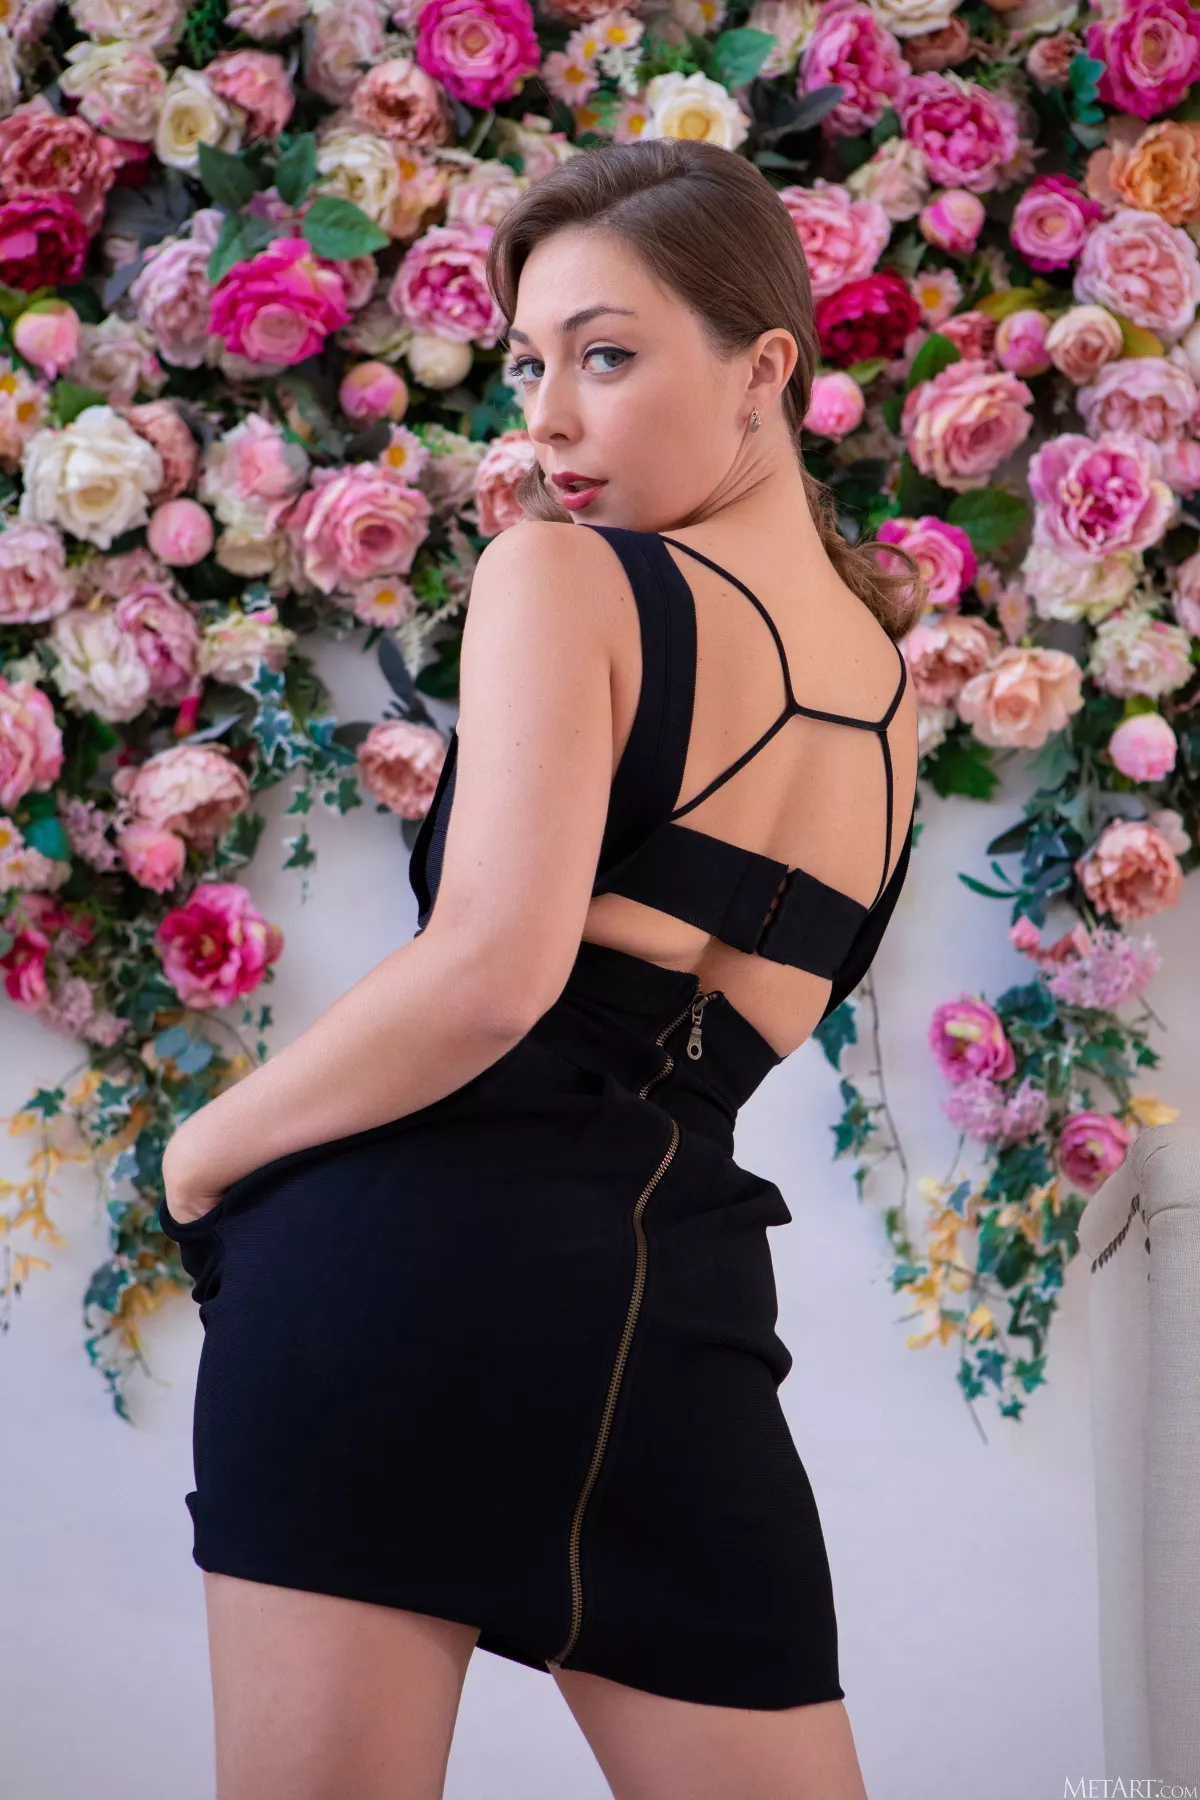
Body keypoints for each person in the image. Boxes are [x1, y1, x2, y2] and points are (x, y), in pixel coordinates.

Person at [159, 138, 922, 1800]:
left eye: (609, 355)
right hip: (671, 1300)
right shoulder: (889, 700)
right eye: (530, 365)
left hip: (403, 1280)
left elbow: (492, 978)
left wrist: (200, 1156)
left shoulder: (562, 574)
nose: (552, 422)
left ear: (765, 366)